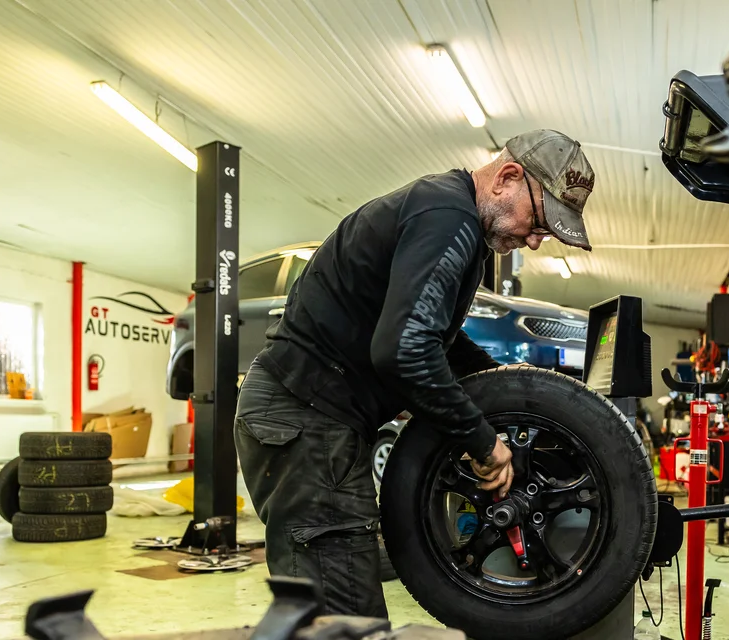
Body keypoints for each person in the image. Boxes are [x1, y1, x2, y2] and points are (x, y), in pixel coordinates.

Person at [233, 129, 597, 617]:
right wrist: (484, 443)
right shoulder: (447, 218)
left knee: (338, 605)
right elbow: (404, 350)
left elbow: (440, 341)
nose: (534, 240)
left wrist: (514, 392)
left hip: (312, 421)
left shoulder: (452, 219)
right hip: (304, 420)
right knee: (343, 619)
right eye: (539, 222)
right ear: (507, 177)